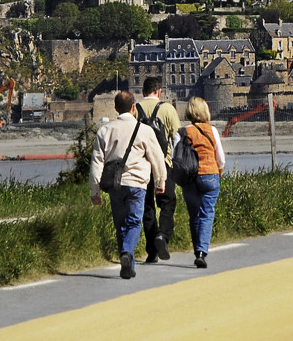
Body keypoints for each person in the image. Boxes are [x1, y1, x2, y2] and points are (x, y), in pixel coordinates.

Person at [90, 91, 166, 280]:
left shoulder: (105, 131)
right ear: (134, 107)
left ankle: (128, 265)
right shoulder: (144, 130)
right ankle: (126, 253)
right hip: (137, 183)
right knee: (133, 221)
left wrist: (95, 189)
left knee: (120, 224)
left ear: (115, 108)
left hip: (115, 184)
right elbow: (156, 158)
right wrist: (160, 181)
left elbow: (97, 162)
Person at [136, 76, 181, 263]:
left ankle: (151, 251)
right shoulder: (167, 108)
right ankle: (162, 235)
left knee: (147, 208)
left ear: (143, 91)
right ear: (159, 91)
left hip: (142, 166)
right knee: (167, 203)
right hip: (163, 164)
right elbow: (177, 137)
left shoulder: (135, 109)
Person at [179, 96, 225, 269]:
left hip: (190, 177)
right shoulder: (212, 130)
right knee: (207, 213)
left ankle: (196, 249)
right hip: (210, 174)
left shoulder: (183, 132)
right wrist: (219, 171)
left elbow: (176, 157)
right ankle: (201, 252)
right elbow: (220, 157)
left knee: (194, 215)